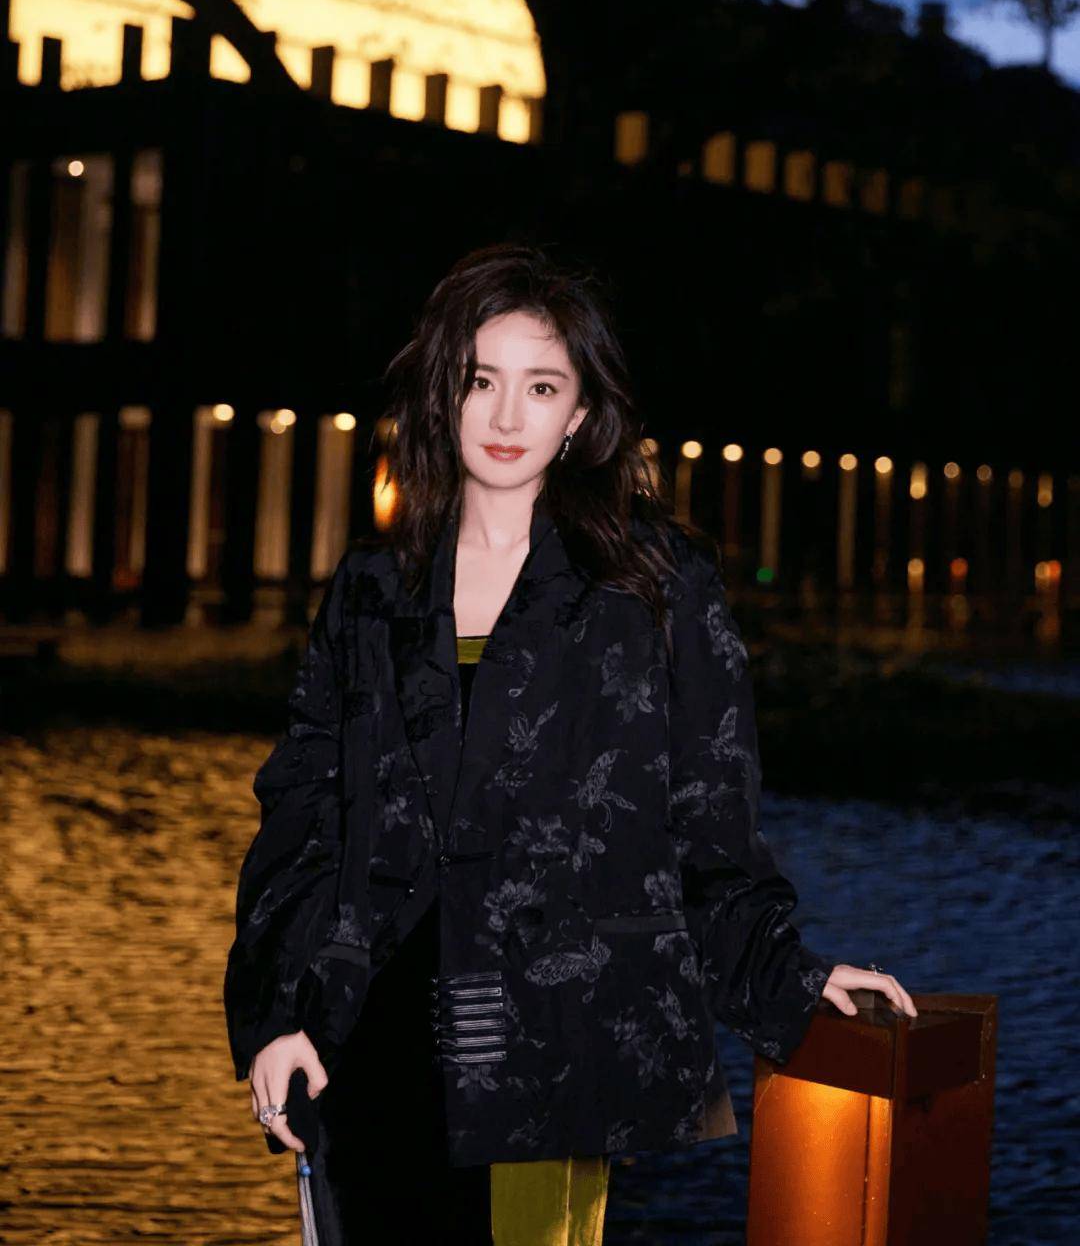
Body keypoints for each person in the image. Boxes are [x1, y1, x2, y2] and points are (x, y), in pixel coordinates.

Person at [223, 243, 918, 1245]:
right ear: (441, 397)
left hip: (548, 1037)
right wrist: (277, 1015)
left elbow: (707, 818)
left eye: (541, 387)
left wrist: (789, 973)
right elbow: (301, 817)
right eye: (481, 381)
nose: (508, 416)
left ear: (581, 415)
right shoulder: (373, 589)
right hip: (361, 1038)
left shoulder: (655, 584)